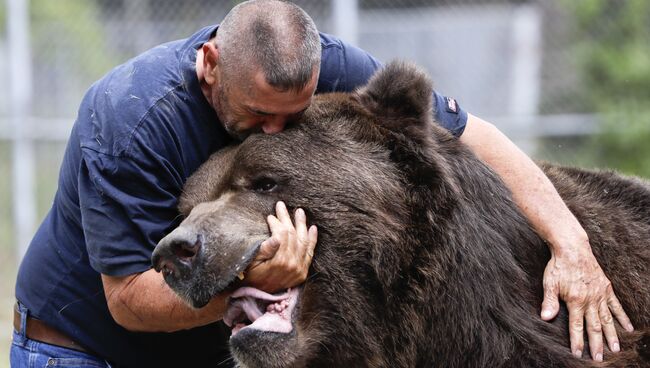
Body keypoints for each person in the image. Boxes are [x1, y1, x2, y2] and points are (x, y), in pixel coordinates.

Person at [12, 0, 633, 367]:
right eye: (259, 116)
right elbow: (126, 302)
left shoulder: (311, 71)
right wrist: (248, 282)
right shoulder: (128, 119)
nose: (279, 128)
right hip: (82, 348)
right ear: (211, 65)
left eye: (294, 114)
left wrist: (571, 243)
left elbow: (471, 133)